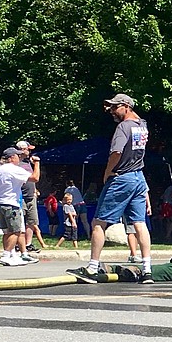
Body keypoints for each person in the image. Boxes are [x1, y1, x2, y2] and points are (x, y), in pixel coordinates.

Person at [67, 93, 154, 284]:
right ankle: (147, 269)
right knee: (140, 223)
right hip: (139, 176)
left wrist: (108, 171)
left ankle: (91, 268)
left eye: (115, 107)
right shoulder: (142, 125)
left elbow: (117, 152)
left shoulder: (123, 127)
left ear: (126, 106)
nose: (112, 111)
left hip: (122, 177)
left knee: (98, 223)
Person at [0, 147, 41, 266]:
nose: (19, 158)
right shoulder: (14, 169)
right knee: (16, 231)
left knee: (6, 231)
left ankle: (11, 254)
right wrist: (37, 164)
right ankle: (6, 255)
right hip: (11, 203)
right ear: (11, 157)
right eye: (17, 156)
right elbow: (35, 178)